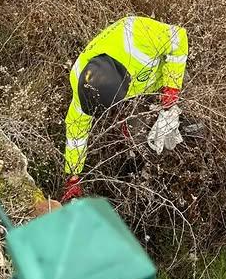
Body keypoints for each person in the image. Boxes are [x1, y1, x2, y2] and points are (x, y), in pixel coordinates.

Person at [61, 16, 188, 202]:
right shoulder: (82, 86)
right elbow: (76, 136)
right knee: (143, 139)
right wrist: (73, 177)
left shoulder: (137, 36)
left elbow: (178, 38)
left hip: (166, 80)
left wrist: (171, 90)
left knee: (182, 133)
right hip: (138, 93)